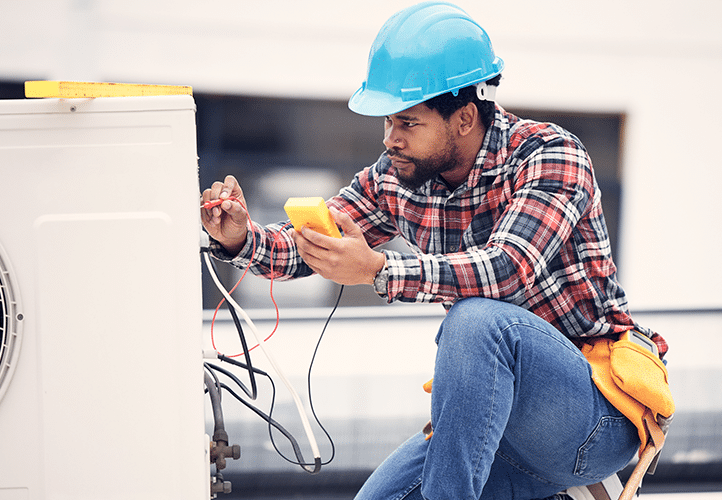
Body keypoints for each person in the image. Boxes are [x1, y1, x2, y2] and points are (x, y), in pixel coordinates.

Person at [201, 2, 668, 499]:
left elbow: (507, 269)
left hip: (593, 418)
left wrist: (379, 271)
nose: (390, 139)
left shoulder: (550, 155)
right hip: (502, 428)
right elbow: (310, 247)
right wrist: (241, 237)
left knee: (478, 320)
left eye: (407, 123)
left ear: (464, 118)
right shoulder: (396, 178)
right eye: (387, 123)